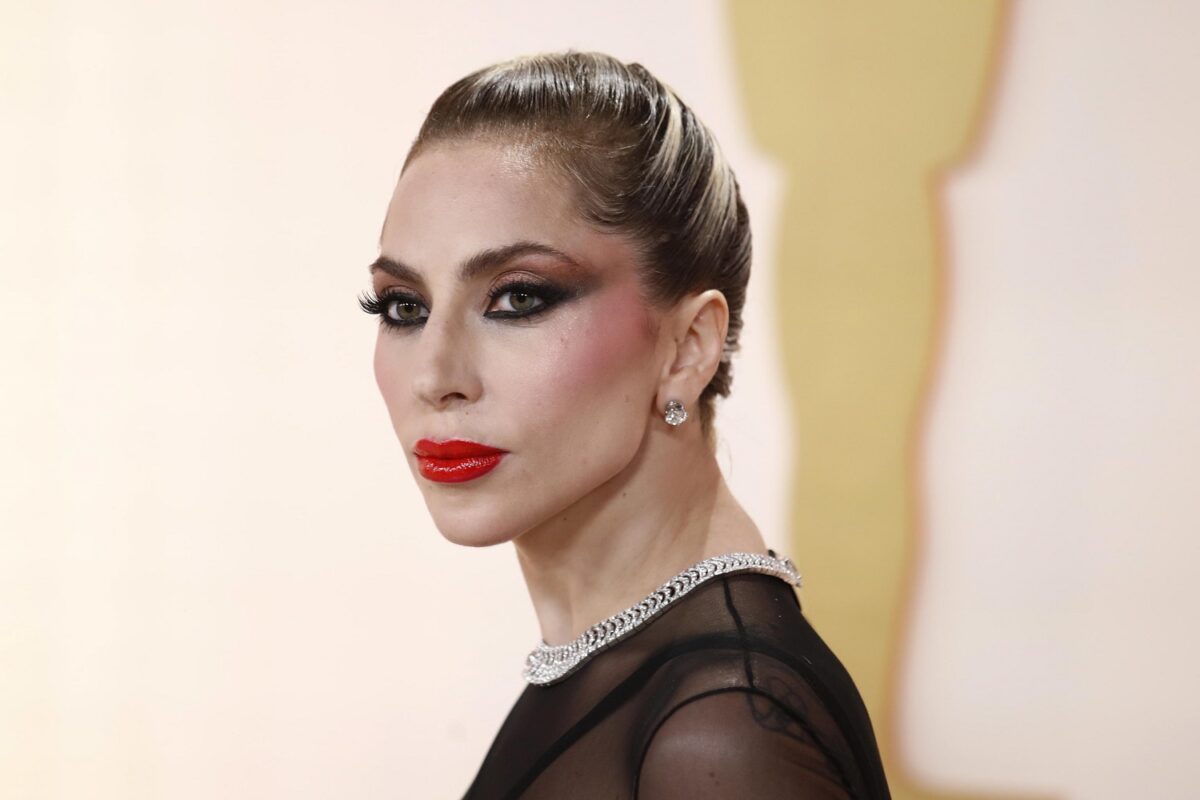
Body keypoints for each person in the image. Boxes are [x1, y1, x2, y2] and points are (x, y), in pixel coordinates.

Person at [359, 50, 891, 799]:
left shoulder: (720, 731)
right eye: (404, 306)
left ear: (689, 347)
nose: (435, 376)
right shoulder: (631, 672)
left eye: (518, 298)